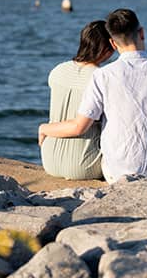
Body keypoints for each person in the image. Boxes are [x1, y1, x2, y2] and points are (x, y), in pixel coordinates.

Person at [38, 8, 147, 183]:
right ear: (141, 33)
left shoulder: (102, 75)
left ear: (113, 44)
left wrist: (45, 128)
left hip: (116, 174)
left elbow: (80, 126)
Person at [40, 20, 114, 180]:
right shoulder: (102, 78)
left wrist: (44, 128)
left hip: (49, 161)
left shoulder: (57, 71)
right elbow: (80, 127)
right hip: (84, 166)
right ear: (107, 49)